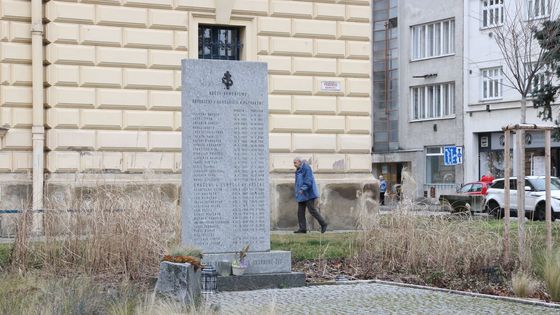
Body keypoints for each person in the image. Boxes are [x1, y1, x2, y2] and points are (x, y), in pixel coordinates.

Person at [293, 157, 327, 234]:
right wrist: (298, 191)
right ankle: (302, 229)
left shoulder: (306, 168)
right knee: (300, 212)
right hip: (301, 194)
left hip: (308, 193)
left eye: (295, 163)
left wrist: (302, 189)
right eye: (294, 163)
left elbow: (308, 180)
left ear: (299, 162)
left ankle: (323, 224)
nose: (294, 165)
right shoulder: (298, 170)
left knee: (312, 210)